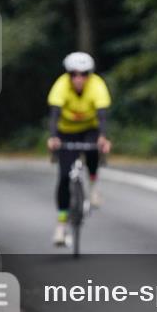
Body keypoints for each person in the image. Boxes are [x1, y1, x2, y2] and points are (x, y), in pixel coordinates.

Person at [46, 52, 112, 246]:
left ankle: (93, 187)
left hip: (89, 129)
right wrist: (53, 137)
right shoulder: (60, 86)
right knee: (64, 177)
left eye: (83, 74)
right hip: (66, 131)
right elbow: (54, 115)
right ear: (68, 75)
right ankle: (61, 224)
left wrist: (103, 137)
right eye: (74, 74)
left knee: (93, 154)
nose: (79, 79)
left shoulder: (97, 85)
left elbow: (102, 115)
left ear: (89, 75)